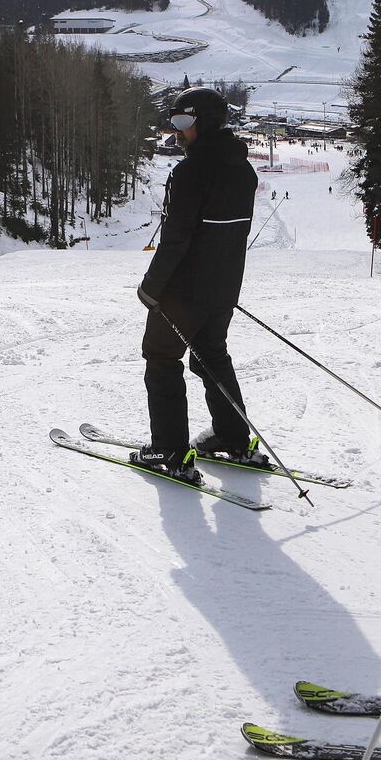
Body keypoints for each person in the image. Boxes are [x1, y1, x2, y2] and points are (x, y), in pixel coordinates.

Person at [134, 87, 260, 484]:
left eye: (184, 123)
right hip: (224, 287)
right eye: (175, 123)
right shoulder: (244, 170)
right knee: (210, 354)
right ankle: (233, 436)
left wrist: (152, 287)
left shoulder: (190, 173)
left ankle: (170, 452)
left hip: (183, 290)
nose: (178, 132)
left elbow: (176, 238)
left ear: (202, 123)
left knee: (161, 356)